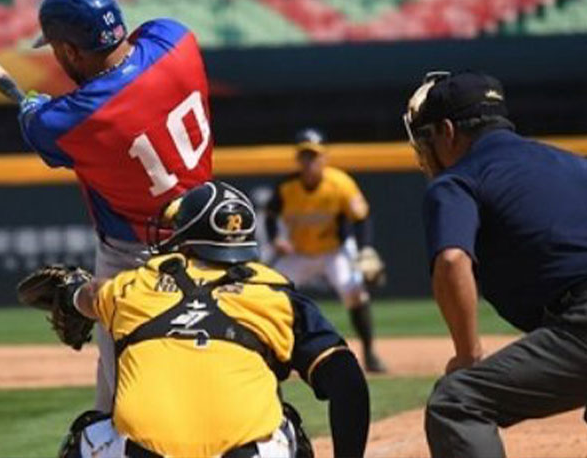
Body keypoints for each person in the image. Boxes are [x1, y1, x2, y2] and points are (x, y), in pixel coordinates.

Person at [50, 181, 369, 458]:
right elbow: (348, 379)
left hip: (139, 454)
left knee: (87, 433)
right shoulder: (276, 295)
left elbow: (90, 295)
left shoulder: (136, 285)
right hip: (246, 455)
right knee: (287, 426)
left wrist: (70, 292)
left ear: (188, 233)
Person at [19, 0, 213, 411]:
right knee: (225, 364)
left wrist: (30, 106)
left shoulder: (70, 120)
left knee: (124, 400)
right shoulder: (176, 38)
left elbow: (39, 127)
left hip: (135, 258)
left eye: (55, 48)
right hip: (213, 238)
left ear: (70, 51)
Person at [403, 70, 587, 458]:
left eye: (428, 136)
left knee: (457, 401)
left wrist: (468, 354)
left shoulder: (457, 181)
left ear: (448, 131)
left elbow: (452, 261)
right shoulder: (572, 164)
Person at [265, 128, 387, 373]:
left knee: (355, 292)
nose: (309, 162)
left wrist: (364, 250)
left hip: (335, 251)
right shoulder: (286, 187)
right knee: (270, 293)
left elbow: (361, 217)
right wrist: (276, 237)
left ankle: (370, 354)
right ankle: (273, 357)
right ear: (298, 159)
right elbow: (270, 216)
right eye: (304, 156)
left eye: (314, 156)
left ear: (324, 158)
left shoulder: (340, 183)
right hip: (298, 253)